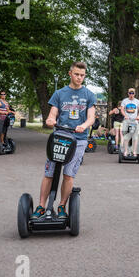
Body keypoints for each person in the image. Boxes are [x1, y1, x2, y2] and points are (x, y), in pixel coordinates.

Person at [31, 61, 96, 219]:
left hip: (79, 139)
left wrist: (84, 125)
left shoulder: (89, 95)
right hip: (59, 138)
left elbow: (91, 118)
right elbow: (53, 113)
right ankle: (41, 206)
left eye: (82, 75)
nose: (79, 77)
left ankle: (61, 207)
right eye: (76, 74)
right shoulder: (59, 94)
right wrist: (51, 119)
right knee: (49, 173)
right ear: (70, 74)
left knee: (68, 175)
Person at [121, 88, 139, 156]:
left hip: (135, 120)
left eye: (132, 93)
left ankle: (134, 151)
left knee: (135, 137)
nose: (131, 94)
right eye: (130, 93)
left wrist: (138, 116)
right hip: (127, 120)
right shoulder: (125, 101)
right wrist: (125, 115)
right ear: (128, 93)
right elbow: (122, 110)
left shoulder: (137, 101)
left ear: (134, 94)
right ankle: (126, 151)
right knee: (126, 137)